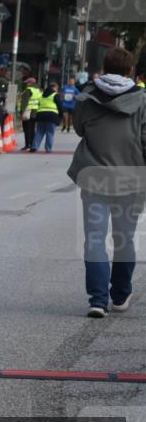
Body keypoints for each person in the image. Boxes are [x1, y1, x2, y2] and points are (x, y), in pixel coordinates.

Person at [67, 47, 146, 318]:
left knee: (95, 239)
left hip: (94, 178)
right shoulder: (142, 100)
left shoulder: (86, 98)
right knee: (124, 239)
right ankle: (121, 294)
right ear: (130, 71)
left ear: (104, 67)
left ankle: (97, 300)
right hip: (131, 179)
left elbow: (79, 128)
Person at [31, 81, 62, 153]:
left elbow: (38, 105)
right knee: (50, 133)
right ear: (54, 87)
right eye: (57, 88)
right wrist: (60, 117)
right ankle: (48, 149)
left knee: (39, 132)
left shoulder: (42, 95)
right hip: (51, 116)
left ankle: (34, 146)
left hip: (41, 115)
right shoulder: (55, 95)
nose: (57, 89)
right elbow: (60, 106)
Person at [19, 77, 41, 151]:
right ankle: (32, 144)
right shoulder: (38, 90)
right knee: (32, 129)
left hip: (28, 112)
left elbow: (24, 102)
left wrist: (22, 112)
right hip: (35, 112)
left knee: (27, 129)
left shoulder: (28, 90)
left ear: (31, 83)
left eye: (27, 83)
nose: (26, 84)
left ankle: (27, 144)